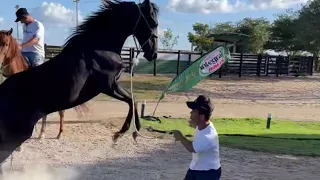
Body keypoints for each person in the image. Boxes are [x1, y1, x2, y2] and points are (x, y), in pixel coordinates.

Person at [173, 95, 221, 180]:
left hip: (208, 173)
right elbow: (200, 127)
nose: (190, 113)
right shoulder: (203, 125)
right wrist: (194, 124)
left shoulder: (209, 136)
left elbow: (191, 148)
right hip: (195, 169)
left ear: (202, 117)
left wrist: (180, 137)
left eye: (194, 111)